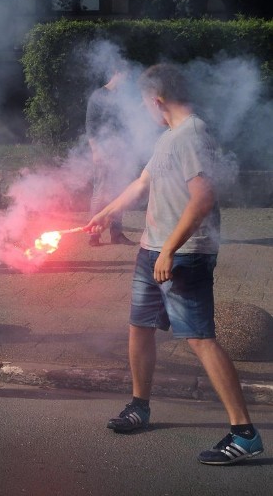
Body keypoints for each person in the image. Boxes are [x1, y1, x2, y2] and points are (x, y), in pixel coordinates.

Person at [86, 63, 264, 465]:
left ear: (157, 100)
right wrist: (106, 213)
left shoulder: (193, 135)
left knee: (200, 337)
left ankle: (244, 432)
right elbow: (143, 182)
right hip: (152, 248)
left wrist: (169, 250)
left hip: (185, 253)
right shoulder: (169, 137)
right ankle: (139, 406)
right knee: (140, 327)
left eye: (146, 104)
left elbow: (203, 199)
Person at [85, 63, 138, 246]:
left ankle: (117, 234)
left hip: (120, 151)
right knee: (100, 193)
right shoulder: (99, 95)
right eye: (126, 75)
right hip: (103, 150)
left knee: (119, 191)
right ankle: (93, 235)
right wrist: (96, 150)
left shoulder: (122, 98)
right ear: (116, 73)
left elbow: (125, 124)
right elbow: (90, 126)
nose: (128, 80)